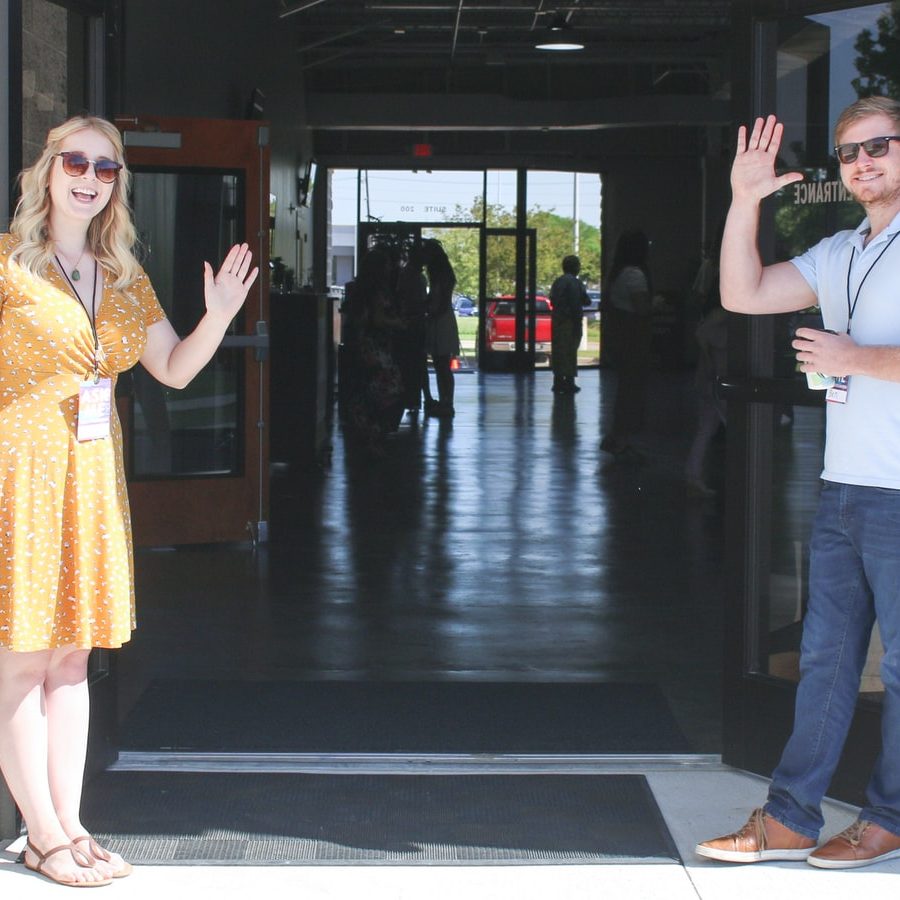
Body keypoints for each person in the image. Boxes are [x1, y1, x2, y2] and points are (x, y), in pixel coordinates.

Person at [0, 115, 257, 886]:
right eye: (74, 160)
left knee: (73, 659)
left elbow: (175, 370)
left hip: (90, 477)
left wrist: (217, 316)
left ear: (117, 185)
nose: (88, 175)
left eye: (105, 167)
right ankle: (40, 836)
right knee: (21, 660)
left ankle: (70, 824)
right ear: (47, 170)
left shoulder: (124, 277)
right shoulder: (9, 267)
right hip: (19, 475)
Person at [696, 96, 900, 869]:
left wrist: (854, 359)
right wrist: (745, 201)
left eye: (879, 146)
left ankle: (887, 819)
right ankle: (790, 817)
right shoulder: (841, 250)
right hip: (843, 489)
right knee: (824, 660)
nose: (863, 163)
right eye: (850, 153)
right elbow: (741, 293)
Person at [600, 230, 653, 457]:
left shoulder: (617, 275)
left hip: (621, 339)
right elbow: (642, 309)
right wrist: (656, 304)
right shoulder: (635, 276)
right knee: (632, 391)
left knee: (625, 390)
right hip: (634, 340)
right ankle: (622, 438)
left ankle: (618, 436)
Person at [421, 239, 459, 418]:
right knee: (442, 365)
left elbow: (441, 302)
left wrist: (430, 313)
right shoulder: (444, 276)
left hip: (440, 322)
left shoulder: (439, 278)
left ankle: (447, 402)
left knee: (441, 365)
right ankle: (446, 401)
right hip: (443, 320)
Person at [549, 254, 590, 394]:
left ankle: (558, 380)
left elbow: (553, 300)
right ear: (575, 267)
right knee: (570, 352)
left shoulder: (558, 282)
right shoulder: (575, 283)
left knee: (559, 351)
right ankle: (569, 381)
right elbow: (582, 301)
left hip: (558, 320)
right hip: (570, 321)